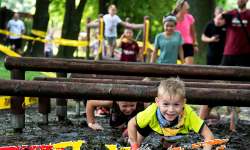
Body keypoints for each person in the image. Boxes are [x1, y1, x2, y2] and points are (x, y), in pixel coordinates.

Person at [128, 77, 214, 150]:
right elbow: (131, 123)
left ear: (183, 103)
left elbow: (209, 135)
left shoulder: (189, 114)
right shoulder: (151, 112)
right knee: (133, 144)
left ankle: (164, 138)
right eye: (166, 104)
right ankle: (126, 135)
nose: (171, 110)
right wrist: (134, 146)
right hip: (151, 124)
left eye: (176, 104)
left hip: (174, 134)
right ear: (157, 102)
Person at [214, 0, 250, 131]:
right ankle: (231, 107)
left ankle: (237, 108)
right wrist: (220, 15)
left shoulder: (249, 14)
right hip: (229, 52)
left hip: (245, 53)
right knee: (223, 80)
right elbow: (217, 23)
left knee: (243, 82)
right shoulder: (230, 13)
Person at [199, 6, 226, 128]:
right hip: (212, 55)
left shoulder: (226, 25)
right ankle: (207, 115)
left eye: (222, 13)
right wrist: (211, 39)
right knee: (210, 81)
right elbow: (203, 37)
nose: (220, 16)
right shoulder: (210, 24)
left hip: (224, 55)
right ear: (215, 13)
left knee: (222, 81)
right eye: (218, 13)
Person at [172, 0, 199, 64]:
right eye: (186, 6)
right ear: (180, 8)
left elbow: (193, 32)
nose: (188, 7)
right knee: (175, 67)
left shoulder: (190, 17)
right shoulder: (173, 19)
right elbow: (169, 33)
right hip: (176, 46)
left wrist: (195, 45)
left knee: (189, 68)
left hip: (188, 45)